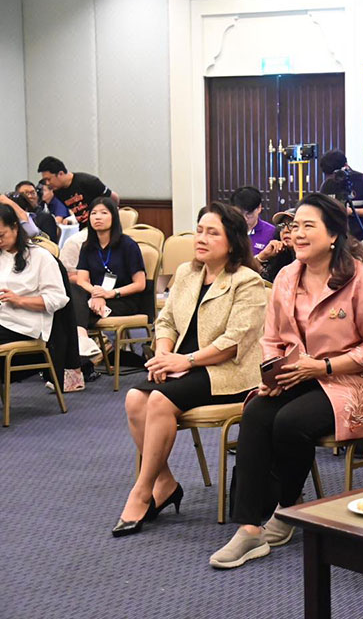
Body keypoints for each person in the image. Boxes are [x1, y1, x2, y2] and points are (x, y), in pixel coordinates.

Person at [210, 193, 363, 569]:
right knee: (257, 412)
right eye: (295, 226)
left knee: (290, 421)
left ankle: (286, 508)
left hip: (358, 381)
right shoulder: (286, 276)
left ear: (334, 235)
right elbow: (271, 338)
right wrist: (272, 373)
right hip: (301, 374)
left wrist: (325, 368)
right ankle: (249, 528)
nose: (297, 233)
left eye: (308, 226)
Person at [112, 202, 267, 537]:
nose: (201, 238)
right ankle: (165, 483)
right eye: (199, 231)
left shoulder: (247, 281)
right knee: (135, 399)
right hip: (184, 366)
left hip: (229, 373)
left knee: (158, 401)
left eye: (212, 233)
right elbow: (166, 320)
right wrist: (163, 354)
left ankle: (142, 491)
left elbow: (234, 341)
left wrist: (186, 361)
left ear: (232, 241)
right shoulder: (187, 273)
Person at [70, 197, 146, 332]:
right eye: (94, 213)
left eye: (104, 213)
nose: (98, 217)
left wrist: (110, 294)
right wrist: (97, 294)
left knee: (80, 310)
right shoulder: (87, 246)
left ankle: (83, 337)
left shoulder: (128, 245)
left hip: (123, 298)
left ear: (114, 217)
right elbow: (81, 281)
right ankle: (86, 338)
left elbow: (140, 284)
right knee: (72, 297)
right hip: (96, 296)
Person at [0, 204, 69, 346]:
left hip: (23, 326)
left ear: (15, 227)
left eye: (1, 235)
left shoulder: (40, 256)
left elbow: (57, 298)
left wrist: (20, 300)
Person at [318, 149, 363, 243]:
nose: (332, 178)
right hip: (333, 240)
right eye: (329, 175)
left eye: (335, 174)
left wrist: (352, 211)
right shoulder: (327, 185)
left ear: (345, 166)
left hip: (358, 240)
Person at [37, 156, 118, 228]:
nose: (47, 183)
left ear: (60, 174)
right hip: (82, 228)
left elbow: (114, 198)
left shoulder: (88, 181)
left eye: (49, 179)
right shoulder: (57, 191)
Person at [229, 186, 274, 257]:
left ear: (259, 208)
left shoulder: (271, 233)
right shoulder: (227, 230)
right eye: (240, 214)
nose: (244, 218)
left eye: (249, 214)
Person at [259, 210, 295, 283]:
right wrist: (262, 257)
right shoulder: (279, 258)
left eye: (292, 225)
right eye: (282, 226)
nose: (285, 230)